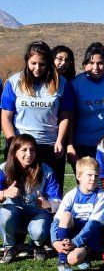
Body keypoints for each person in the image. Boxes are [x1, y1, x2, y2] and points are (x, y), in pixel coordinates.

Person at [1, 41, 74, 187]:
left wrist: (60, 141)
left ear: (49, 63)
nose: (37, 68)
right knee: (17, 190)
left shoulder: (61, 83)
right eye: (33, 63)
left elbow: (65, 116)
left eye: (42, 64)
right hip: (21, 146)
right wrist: (12, 142)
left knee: (50, 192)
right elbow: (6, 117)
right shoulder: (14, 82)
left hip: (50, 146)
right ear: (27, 61)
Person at [0, 134, 62, 263]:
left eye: (32, 150)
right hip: (15, 214)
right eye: (24, 150)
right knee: (5, 213)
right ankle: (10, 247)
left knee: (38, 230)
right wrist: (4, 193)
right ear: (15, 152)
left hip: (38, 213)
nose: (29, 154)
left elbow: (58, 201)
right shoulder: (3, 169)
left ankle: (36, 246)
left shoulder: (46, 171)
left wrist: (48, 204)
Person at [50, 157, 104, 271]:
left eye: (96, 176)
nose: (93, 179)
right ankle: (62, 261)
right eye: (89, 175)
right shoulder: (71, 194)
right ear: (78, 176)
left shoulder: (101, 196)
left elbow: (93, 225)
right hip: (70, 237)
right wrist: (55, 241)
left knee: (73, 259)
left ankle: (85, 254)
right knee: (65, 215)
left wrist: (76, 242)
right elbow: (56, 220)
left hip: (89, 237)